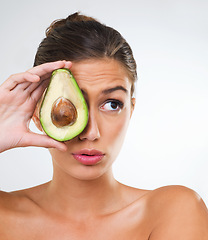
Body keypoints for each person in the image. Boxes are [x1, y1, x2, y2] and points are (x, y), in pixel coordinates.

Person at [0, 12, 207, 239]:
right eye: (65, 107)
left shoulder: (172, 211)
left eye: (112, 104)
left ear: (131, 111)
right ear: (37, 114)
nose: (91, 133)